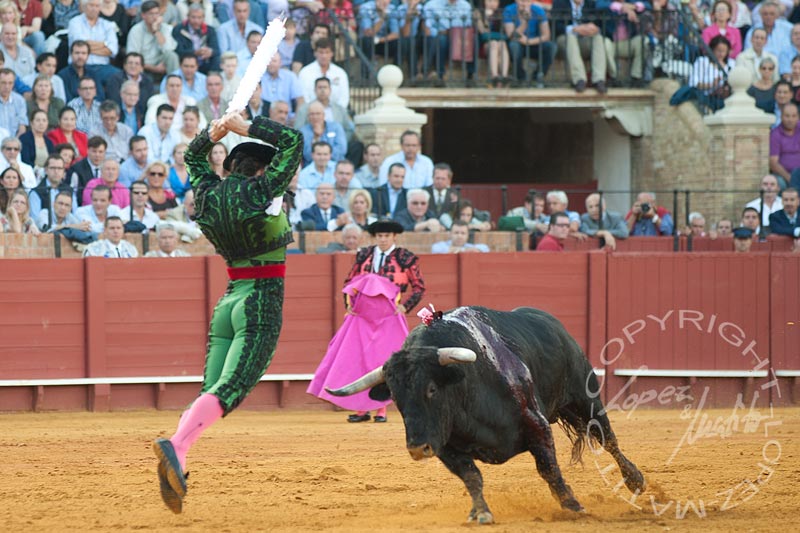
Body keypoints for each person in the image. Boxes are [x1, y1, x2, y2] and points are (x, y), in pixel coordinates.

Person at [151, 110, 303, 514]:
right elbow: (294, 141)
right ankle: (177, 445)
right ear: (262, 171)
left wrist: (212, 133)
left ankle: (179, 458)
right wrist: (245, 128)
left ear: (231, 165)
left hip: (229, 301)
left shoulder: (206, 193)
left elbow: (194, 159)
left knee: (212, 390)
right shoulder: (262, 194)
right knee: (231, 390)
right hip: (259, 302)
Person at [307, 218, 424, 424]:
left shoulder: (405, 258)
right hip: (363, 317)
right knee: (359, 360)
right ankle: (361, 409)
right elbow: (350, 283)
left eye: (386, 236)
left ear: (394, 236)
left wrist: (404, 307)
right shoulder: (364, 255)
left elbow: (419, 287)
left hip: (389, 317)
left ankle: (381, 408)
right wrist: (349, 305)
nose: (383, 239)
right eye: (379, 236)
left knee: (383, 361)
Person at [552, 0, 607, 93]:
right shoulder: (559, 3)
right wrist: (574, 29)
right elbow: (555, 26)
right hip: (564, 41)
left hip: (584, 40)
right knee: (571, 37)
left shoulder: (590, 4)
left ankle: (599, 80)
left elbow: (599, 24)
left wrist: (594, 29)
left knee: (598, 38)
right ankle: (579, 80)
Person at [475, 0, 510, 88]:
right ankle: (494, 76)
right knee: (494, 43)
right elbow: (483, 31)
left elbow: (504, 32)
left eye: (495, 1)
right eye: (489, 1)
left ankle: (503, 76)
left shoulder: (502, 13)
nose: (492, 4)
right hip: (485, 44)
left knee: (502, 44)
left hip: (500, 44)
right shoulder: (478, 12)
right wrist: (487, 18)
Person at [769, 102, 800, 190]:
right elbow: (773, 163)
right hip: (784, 176)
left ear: (798, 117)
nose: (790, 119)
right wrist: (791, 178)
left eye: (794, 116)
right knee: (779, 184)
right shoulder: (775, 134)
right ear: (781, 117)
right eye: (787, 116)